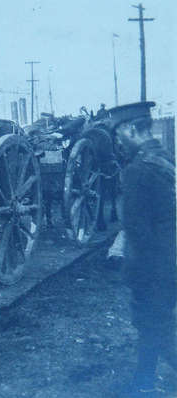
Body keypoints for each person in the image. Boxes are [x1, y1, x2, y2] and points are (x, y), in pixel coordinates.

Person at [110, 101, 176, 397]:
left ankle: (142, 384)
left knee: (154, 326)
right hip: (171, 259)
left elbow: (138, 232)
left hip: (155, 266)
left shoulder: (136, 171)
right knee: (154, 326)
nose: (118, 140)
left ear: (132, 129)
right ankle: (143, 383)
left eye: (120, 132)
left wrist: (135, 272)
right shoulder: (166, 160)